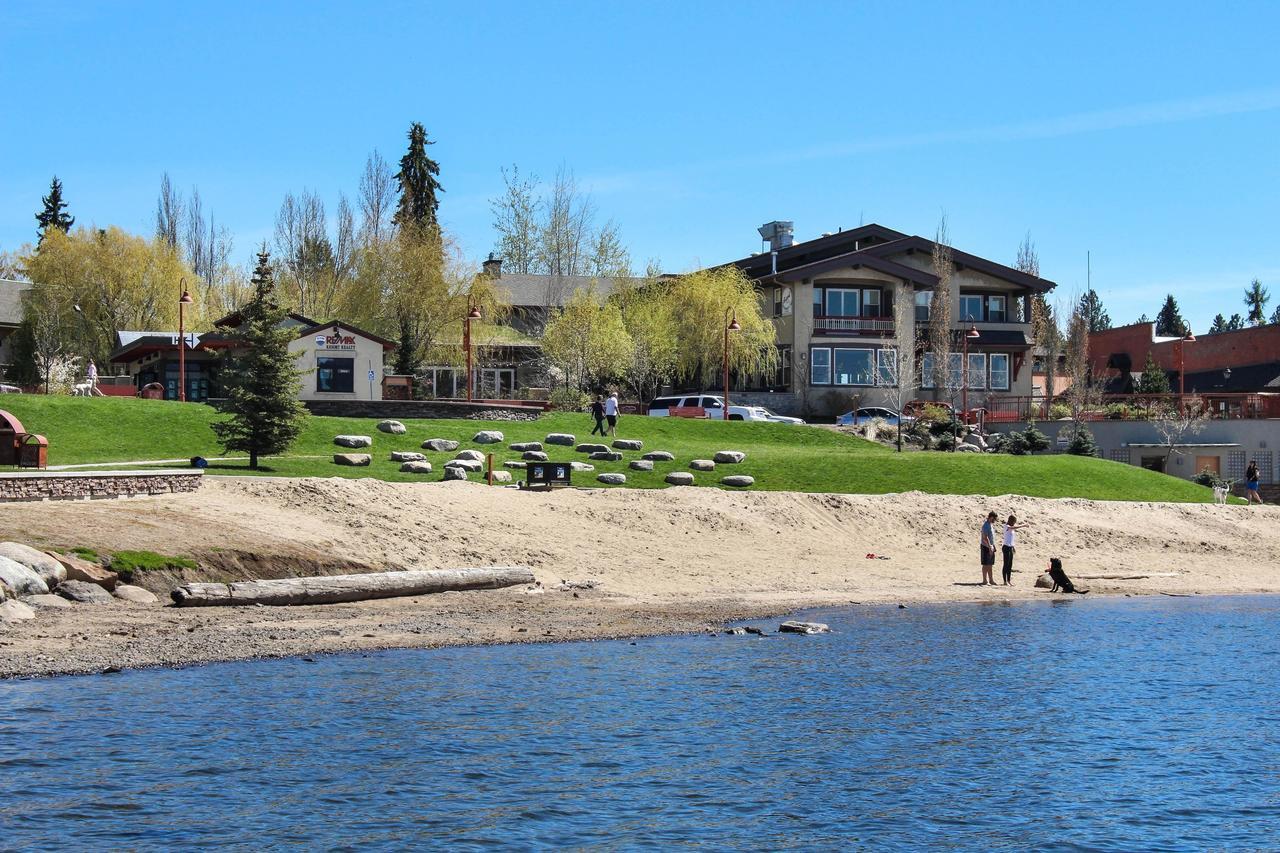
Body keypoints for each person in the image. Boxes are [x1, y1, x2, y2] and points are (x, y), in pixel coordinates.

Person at [1001, 514, 1030, 586]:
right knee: (1006, 564)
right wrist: (1023, 525)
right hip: (1006, 547)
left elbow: (1011, 538)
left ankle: (1009, 580)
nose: (1014, 523)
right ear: (1010, 520)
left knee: (1010, 565)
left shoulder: (1011, 528)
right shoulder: (1006, 526)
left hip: (1010, 547)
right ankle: (1005, 581)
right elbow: (1013, 527)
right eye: (1014, 522)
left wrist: (1013, 547)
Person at [980, 511, 997, 585]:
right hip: (986, 546)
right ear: (991, 517)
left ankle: (991, 580)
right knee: (985, 564)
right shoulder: (986, 525)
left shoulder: (990, 525)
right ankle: (984, 580)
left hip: (991, 546)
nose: (995, 521)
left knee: (990, 564)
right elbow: (985, 537)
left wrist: (993, 546)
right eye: (994, 519)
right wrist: (990, 546)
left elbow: (991, 537)